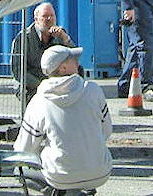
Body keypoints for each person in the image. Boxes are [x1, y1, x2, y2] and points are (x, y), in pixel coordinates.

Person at [15, 45, 112, 195]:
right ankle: (75, 192)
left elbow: (24, 149)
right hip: (100, 171)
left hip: (59, 177)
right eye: (73, 59)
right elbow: (106, 131)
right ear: (63, 68)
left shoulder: (39, 101)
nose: (78, 62)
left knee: (18, 169)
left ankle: (63, 192)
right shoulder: (93, 90)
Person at [12, 2, 76, 104]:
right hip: (31, 84)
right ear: (36, 20)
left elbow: (74, 59)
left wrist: (65, 38)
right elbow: (18, 71)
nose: (50, 19)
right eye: (45, 16)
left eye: (52, 16)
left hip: (55, 83)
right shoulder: (24, 38)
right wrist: (41, 85)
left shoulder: (60, 35)